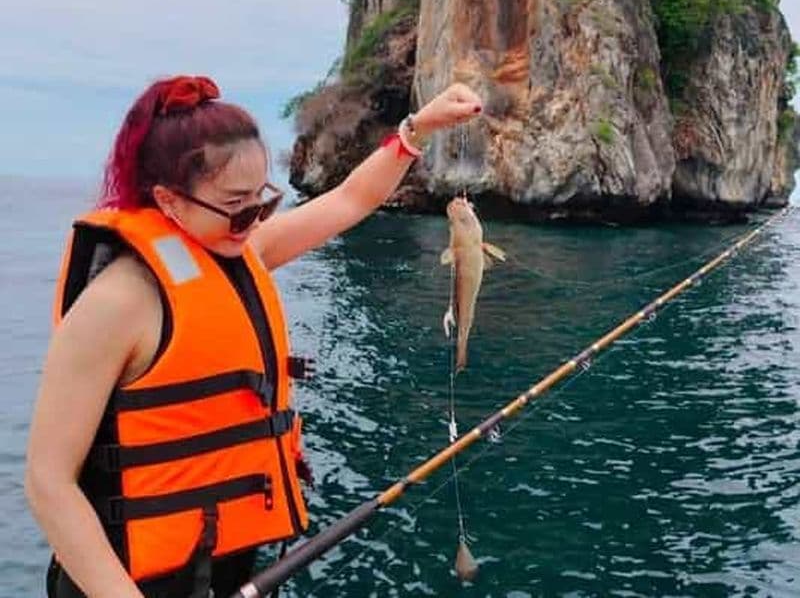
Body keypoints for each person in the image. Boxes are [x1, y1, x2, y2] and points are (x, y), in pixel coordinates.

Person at [25, 74, 483, 598]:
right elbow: (48, 482)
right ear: (168, 201)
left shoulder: (244, 251)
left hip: (226, 568)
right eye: (237, 203)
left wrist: (417, 128)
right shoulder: (116, 304)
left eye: (263, 199)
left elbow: (349, 201)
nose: (255, 217)